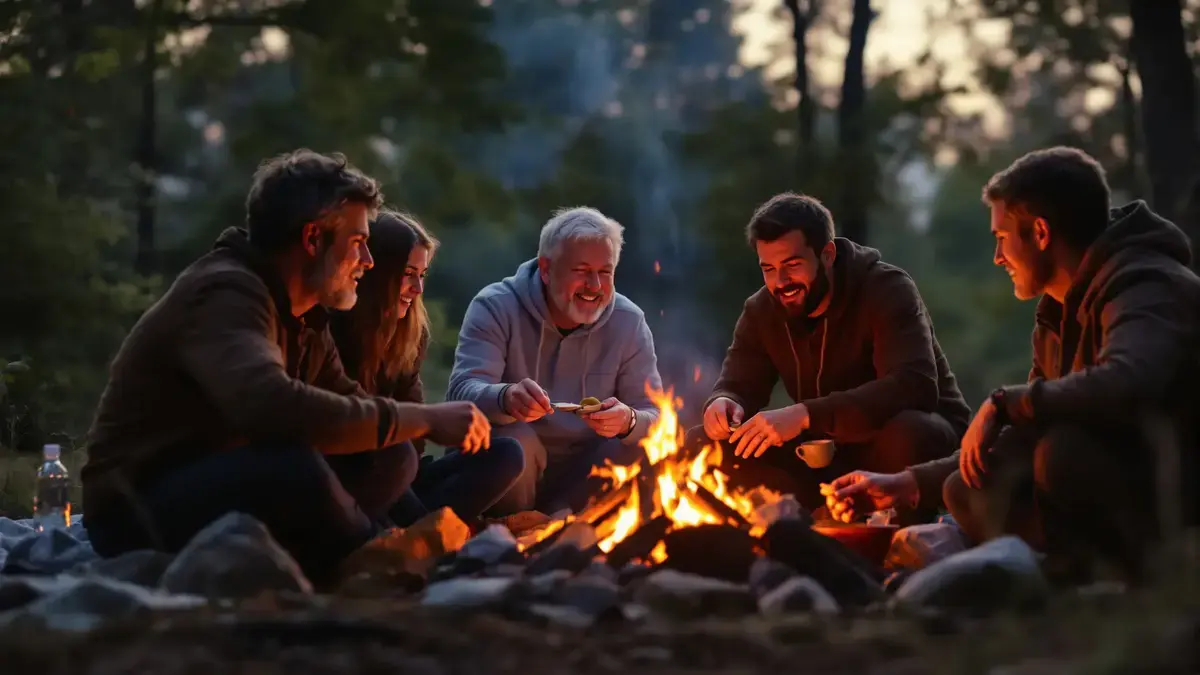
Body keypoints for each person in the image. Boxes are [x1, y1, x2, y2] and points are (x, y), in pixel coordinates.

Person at [81, 150, 490, 584]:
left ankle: (354, 549)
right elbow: (272, 407)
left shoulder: (304, 317)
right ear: (313, 239)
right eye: (357, 243)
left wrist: (415, 428)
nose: (367, 262)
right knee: (294, 467)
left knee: (390, 453)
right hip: (137, 508)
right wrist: (423, 418)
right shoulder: (226, 293)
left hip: (231, 487)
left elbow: (350, 403)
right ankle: (371, 554)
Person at [824, 147, 1200, 582]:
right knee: (966, 486)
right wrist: (905, 483)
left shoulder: (1145, 284)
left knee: (1059, 453)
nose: (997, 257)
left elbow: (1131, 380)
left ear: (1040, 233)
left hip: (1177, 491)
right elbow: (1026, 427)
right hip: (1124, 478)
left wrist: (1004, 403)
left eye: (1002, 238)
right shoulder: (1057, 312)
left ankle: (1109, 578)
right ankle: (1055, 567)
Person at [685, 192, 970, 518]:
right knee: (703, 445)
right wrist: (724, 403)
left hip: (911, 446)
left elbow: (912, 386)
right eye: (768, 268)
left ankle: (903, 541)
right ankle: (782, 534)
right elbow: (738, 383)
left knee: (908, 432)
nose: (781, 282)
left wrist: (805, 415)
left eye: (792, 265)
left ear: (828, 254)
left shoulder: (886, 288)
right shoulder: (761, 310)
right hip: (822, 454)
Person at [446, 206, 663, 516]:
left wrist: (628, 420)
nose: (595, 286)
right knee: (515, 439)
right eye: (582, 271)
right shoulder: (495, 306)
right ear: (546, 269)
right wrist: (505, 398)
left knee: (636, 445)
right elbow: (460, 393)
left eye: (605, 272)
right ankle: (501, 534)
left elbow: (656, 416)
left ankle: (572, 535)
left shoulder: (629, 322)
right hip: (509, 474)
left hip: (584, 477)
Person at [328, 211, 525, 526]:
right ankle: (422, 533)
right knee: (391, 459)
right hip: (353, 476)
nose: (417, 288)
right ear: (377, 272)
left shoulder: (410, 335)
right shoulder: (334, 328)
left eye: (422, 275)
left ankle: (411, 528)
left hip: (403, 474)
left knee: (506, 455)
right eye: (407, 274)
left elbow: (415, 426)